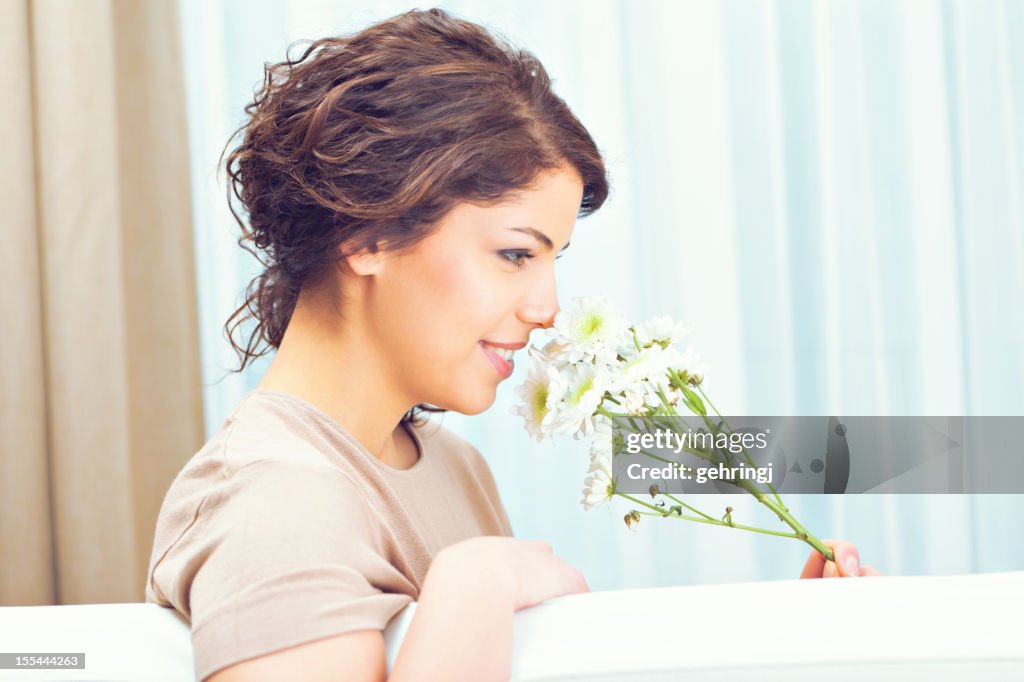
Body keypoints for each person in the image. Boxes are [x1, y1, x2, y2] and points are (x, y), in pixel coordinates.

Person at [146, 8, 879, 682]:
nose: (549, 310)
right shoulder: (274, 500)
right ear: (367, 233)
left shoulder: (452, 467)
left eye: (554, 258)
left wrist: (798, 641)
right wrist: (474, 586)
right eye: (515, 254)